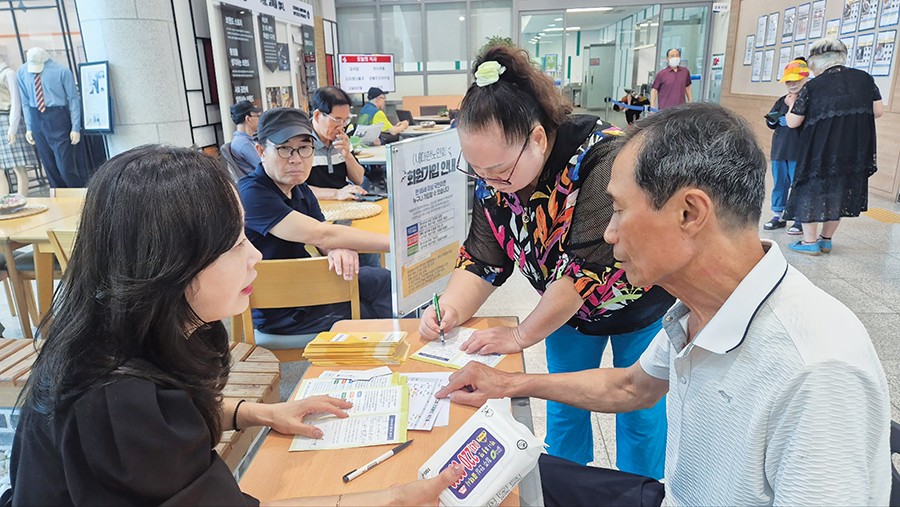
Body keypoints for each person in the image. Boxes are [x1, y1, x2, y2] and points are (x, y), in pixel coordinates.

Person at [435, 103, 891, 506]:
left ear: (690, 213)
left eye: (617, 210)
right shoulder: (698, 309)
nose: (607, 234)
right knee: (507, 480)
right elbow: (631, 388)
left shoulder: (816, 369)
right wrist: (509, 382)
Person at [3, 144, 462, 505]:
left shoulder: (142, 330)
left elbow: (167, 417)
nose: (255, 255)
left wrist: (256, 412)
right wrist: (389, 498)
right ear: (169, 264)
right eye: (235, 243)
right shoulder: (114, 400)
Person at [417, 45, 674, 479]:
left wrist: (519, 335)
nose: (490, 183)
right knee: (564, 406)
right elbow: (482, 258)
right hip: (565, 315)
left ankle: (641, 490)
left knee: (640, 412)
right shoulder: (493, 176)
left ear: (537, 137)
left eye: (498, 170)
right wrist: (450, 308)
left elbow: (583, 275)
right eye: (477, 171)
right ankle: (567, 487)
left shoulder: (602, 159)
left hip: (637, 302)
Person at [239, 107, 392, 338]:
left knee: (384, 281)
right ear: (261, 151)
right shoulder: (252, 194)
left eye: (303, 148)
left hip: (308, 285)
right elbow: (321, 234)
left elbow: (324, 237)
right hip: (282, 310)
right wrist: (398, 243)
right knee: (372, 313)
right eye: (284, 149)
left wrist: (338, 248)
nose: (296, 159)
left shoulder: (299, 187)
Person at [784, 38, 884, 255]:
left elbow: (793, 122)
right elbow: (878, 111)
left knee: (810, 191)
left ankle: (809, 243)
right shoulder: (865, 79)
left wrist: (791, 104)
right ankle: (826, 240)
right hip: (854, 147)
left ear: (816, 64)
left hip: (820, 148)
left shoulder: (813, 86)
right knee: (838, 191)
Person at [16, 47, 83, 188]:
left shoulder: (62, 71)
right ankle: (59, 202)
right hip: (36, 117)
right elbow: (25, 101)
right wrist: (29, 127)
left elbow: (73, 100)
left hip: (58, 116)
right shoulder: (22, 71)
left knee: (65, 167)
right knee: (49, 166)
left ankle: (79, 197)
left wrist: (75, 127)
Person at [762, 59, 808, 234]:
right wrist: (773, 120)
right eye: (789, 81)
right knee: (780, 183)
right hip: (780, 150)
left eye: (796, 80)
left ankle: (799, 219)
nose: (792, 84)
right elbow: (772, 123)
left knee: (798, 185)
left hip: (799, 152)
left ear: (805, 78)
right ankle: (778, 215)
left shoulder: (807, 100)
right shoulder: (782, 100)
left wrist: (792, 106)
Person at [308, 86, 368, 201]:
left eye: (345, 120)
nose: (341, 126)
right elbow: (295, 189)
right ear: (317, 116)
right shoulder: (301, 143)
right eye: (337, 120)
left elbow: (359, 179)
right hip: (314, 209)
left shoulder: (341, 139)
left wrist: (347, 155)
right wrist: (336, 194)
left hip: (343, 206)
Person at [0, 57, 35, 196]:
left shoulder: (9, 73)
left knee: (18, 166)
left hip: (8, 120)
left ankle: (22, 200)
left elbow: (16, 101)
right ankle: (3, 202)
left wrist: (13, 127)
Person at [229, 100, 262, 177]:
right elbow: (265, 167)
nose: (259, 120)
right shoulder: (244, 143)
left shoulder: (242, 140)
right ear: (248, 119)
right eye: (257, 116)